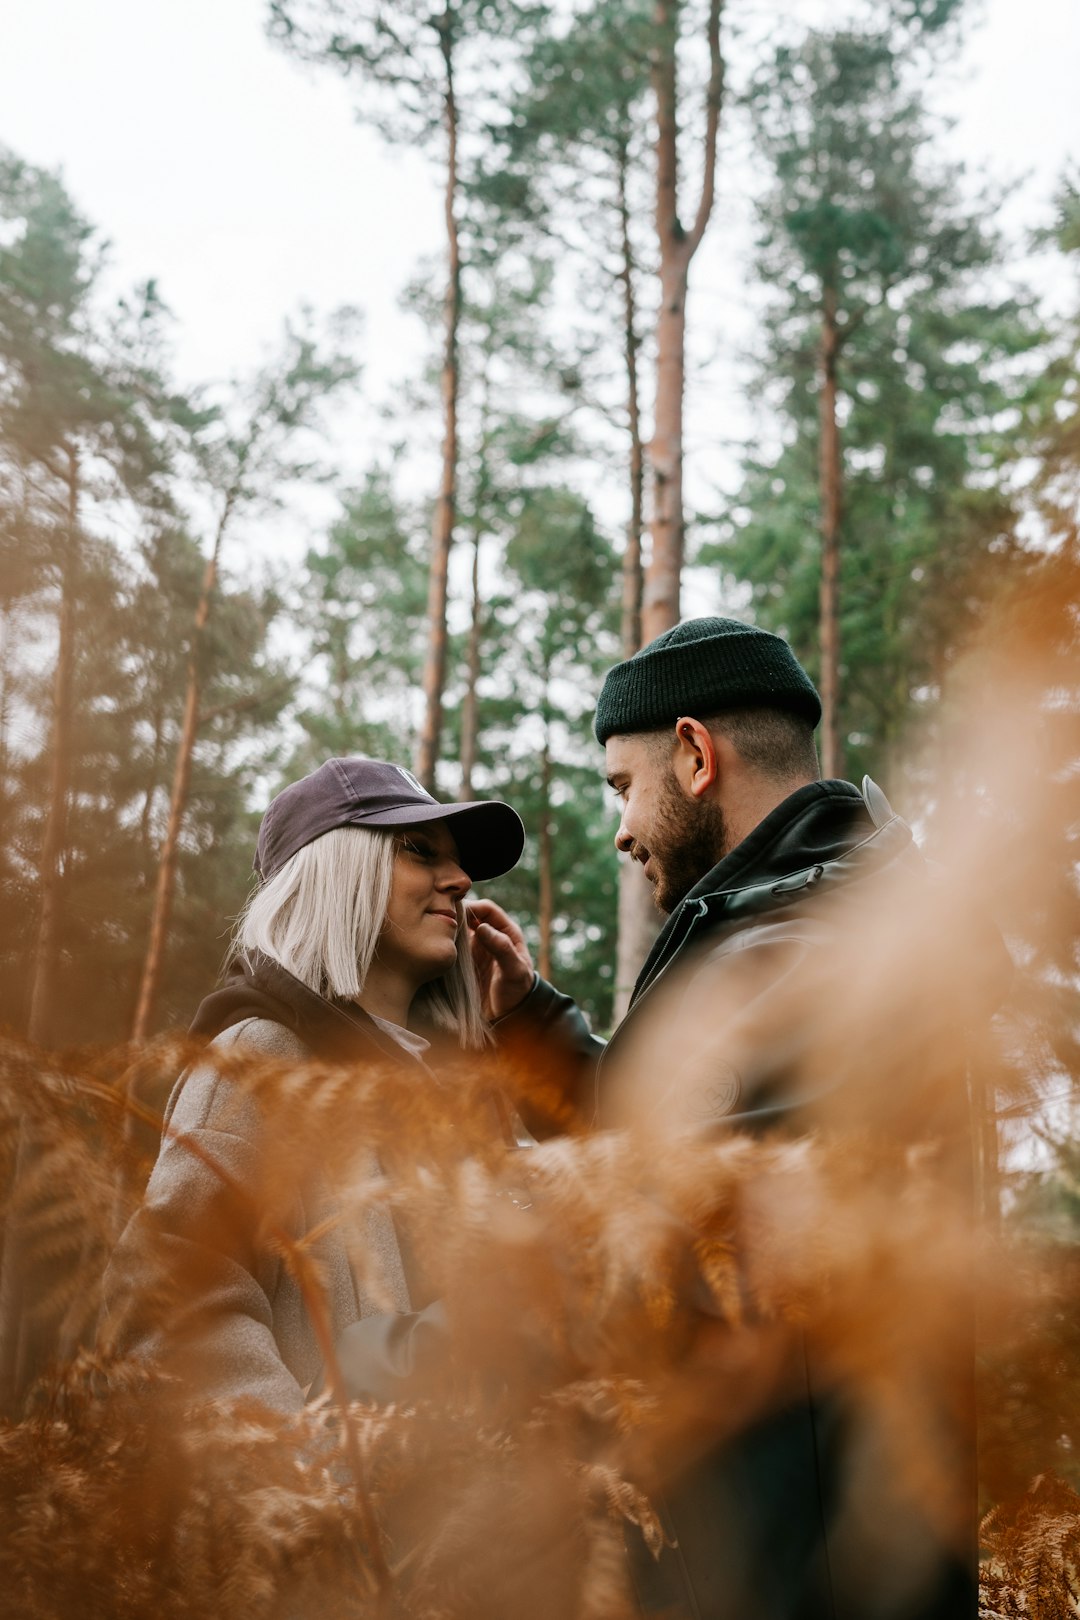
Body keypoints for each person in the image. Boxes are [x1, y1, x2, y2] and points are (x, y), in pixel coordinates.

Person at [470, 617, 983, 1620]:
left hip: (800, 1564)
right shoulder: (795, 923)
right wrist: (532, 1017)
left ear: (697, 756)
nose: (620, 831)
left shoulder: (809, 943)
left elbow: (680, 1200)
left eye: (624, 788)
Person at [103, 757, 524, 1413]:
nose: (461, 880)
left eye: (459, 863)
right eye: (420, 851)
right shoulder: (258, 1063)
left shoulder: (470, 1096)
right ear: (337, 869)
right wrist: (307, 1486)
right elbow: (175, 1312)